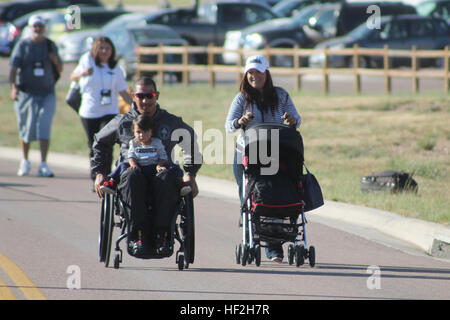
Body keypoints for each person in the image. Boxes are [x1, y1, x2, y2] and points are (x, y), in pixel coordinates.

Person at [91, 76, 201, 255]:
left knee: (168, 176)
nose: (145, 100)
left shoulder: (170, 122)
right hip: (132, 176)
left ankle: (163, 235)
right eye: (140, 95)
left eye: (150, 96)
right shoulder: (123, 122)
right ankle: (138, 235)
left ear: (156, 96)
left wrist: (190, 174)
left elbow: (190, 140)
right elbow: (100, 142)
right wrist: (100, 173)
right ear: (133, 96)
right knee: (131, 175)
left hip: (161, 174)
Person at [225, 55, 302, 263]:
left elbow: (297, 119)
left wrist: (292, 120)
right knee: (251, 201)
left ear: (266, 73)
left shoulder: (281, 95)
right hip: (248, 156)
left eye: (258, 72)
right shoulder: (242, 98)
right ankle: (254, 242)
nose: (253, 76)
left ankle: (274, 248)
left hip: (277, 154)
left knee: (273, 198)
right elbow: (228, 126)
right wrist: (240, 121)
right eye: (250, 72)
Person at [70, 37, 132, 189]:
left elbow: (123, 90)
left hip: (109, 111)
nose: (104, 51)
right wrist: (83, 73)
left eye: (107, 48)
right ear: (95, 50)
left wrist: (135, 106)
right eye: (101, 48)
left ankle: (107, 177)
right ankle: (96, 178)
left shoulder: (116, 69)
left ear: (112, 51)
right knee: (94, 146)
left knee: (107, 144)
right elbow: (73, 77)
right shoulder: (87, 61)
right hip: (89, 111)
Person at [9, 14, 63, 177]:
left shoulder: (50, 45)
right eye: (35, 26)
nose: (38, 29)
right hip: (27, 93)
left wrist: (55, 61)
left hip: (47, 92)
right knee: (27, 127)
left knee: (44, 127)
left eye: (41, 26)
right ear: (31, 28)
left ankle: (44, 163)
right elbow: (13, 68)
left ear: (45, 28)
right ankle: (25, 161)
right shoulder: (23, 45)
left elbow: (60, 69)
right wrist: (13, 87)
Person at [100, 114, 191, 198]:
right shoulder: (134, 143)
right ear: (133, 132)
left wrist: (160, 165)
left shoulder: (157, 142)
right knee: (122, 165)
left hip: (154, 168)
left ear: (151, 131)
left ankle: (181, 183)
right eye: (138, 132)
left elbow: (163, 156)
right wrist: (133, 164)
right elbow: (131, 155)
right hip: (139, 169)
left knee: (173, 166)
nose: (142, 135)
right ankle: (112, 183)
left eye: (145, 132)